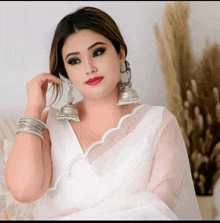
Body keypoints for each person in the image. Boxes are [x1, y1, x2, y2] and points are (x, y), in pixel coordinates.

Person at [2, 6, 202, 220]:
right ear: (65, 71)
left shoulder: (158, 122)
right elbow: (23, 191)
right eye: (74, 60)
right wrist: (33, 108)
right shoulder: (50, 124)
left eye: (97, 52)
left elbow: (159, 210)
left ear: (120, 53)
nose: (89, 67)